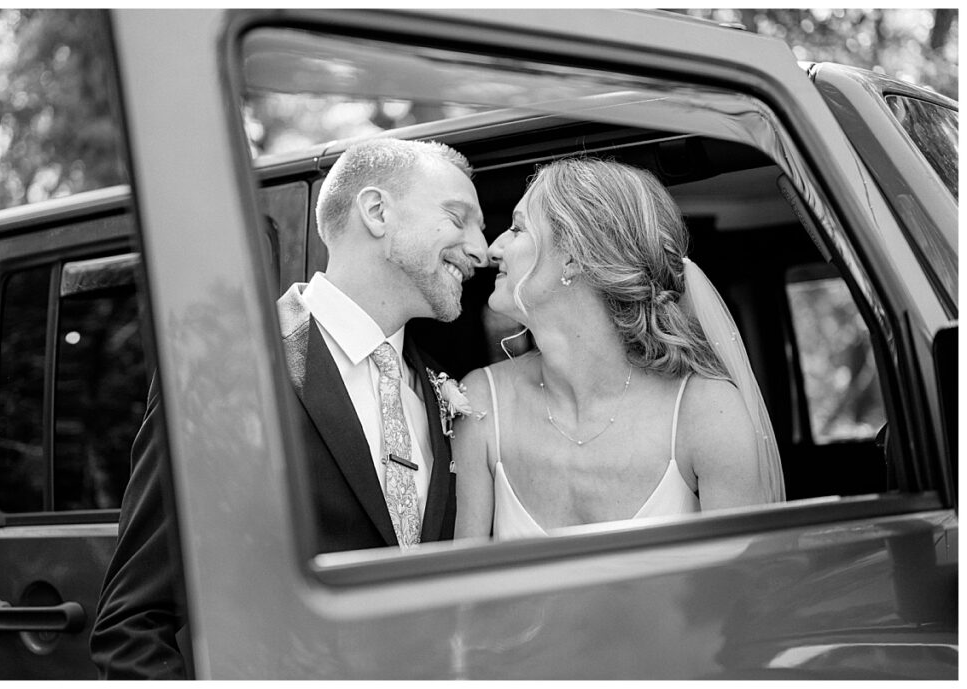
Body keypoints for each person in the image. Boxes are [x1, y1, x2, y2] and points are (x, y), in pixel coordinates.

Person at [91, 137, 488, 678]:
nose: (481, 250)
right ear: (376, 212)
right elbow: (132, 624)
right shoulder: (231, 368)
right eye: (458, 217)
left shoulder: (439, 385)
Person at [453, 158, 784, 541]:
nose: (494, 248)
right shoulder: (481, 403)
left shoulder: (706, 412)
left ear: (574, 256)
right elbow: (461, 592)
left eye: (517, 228)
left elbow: (747, 587)